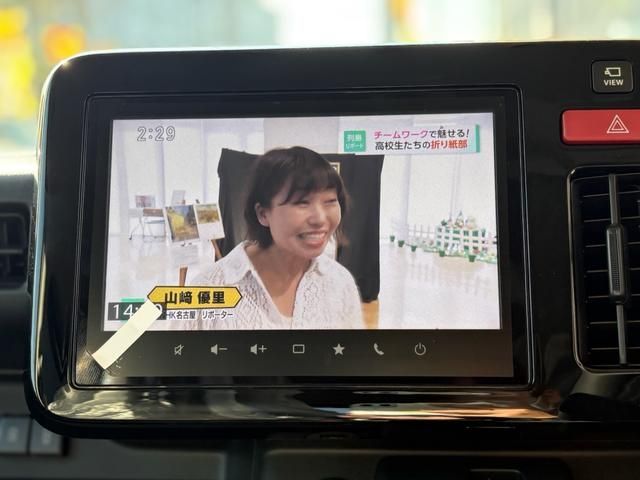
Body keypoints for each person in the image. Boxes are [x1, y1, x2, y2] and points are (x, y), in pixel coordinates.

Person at [193, 146, 364, 329]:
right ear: (263, 214)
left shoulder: (340, 282)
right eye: (302, 202)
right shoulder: (209, 288)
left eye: (330, 201)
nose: (320, 219)